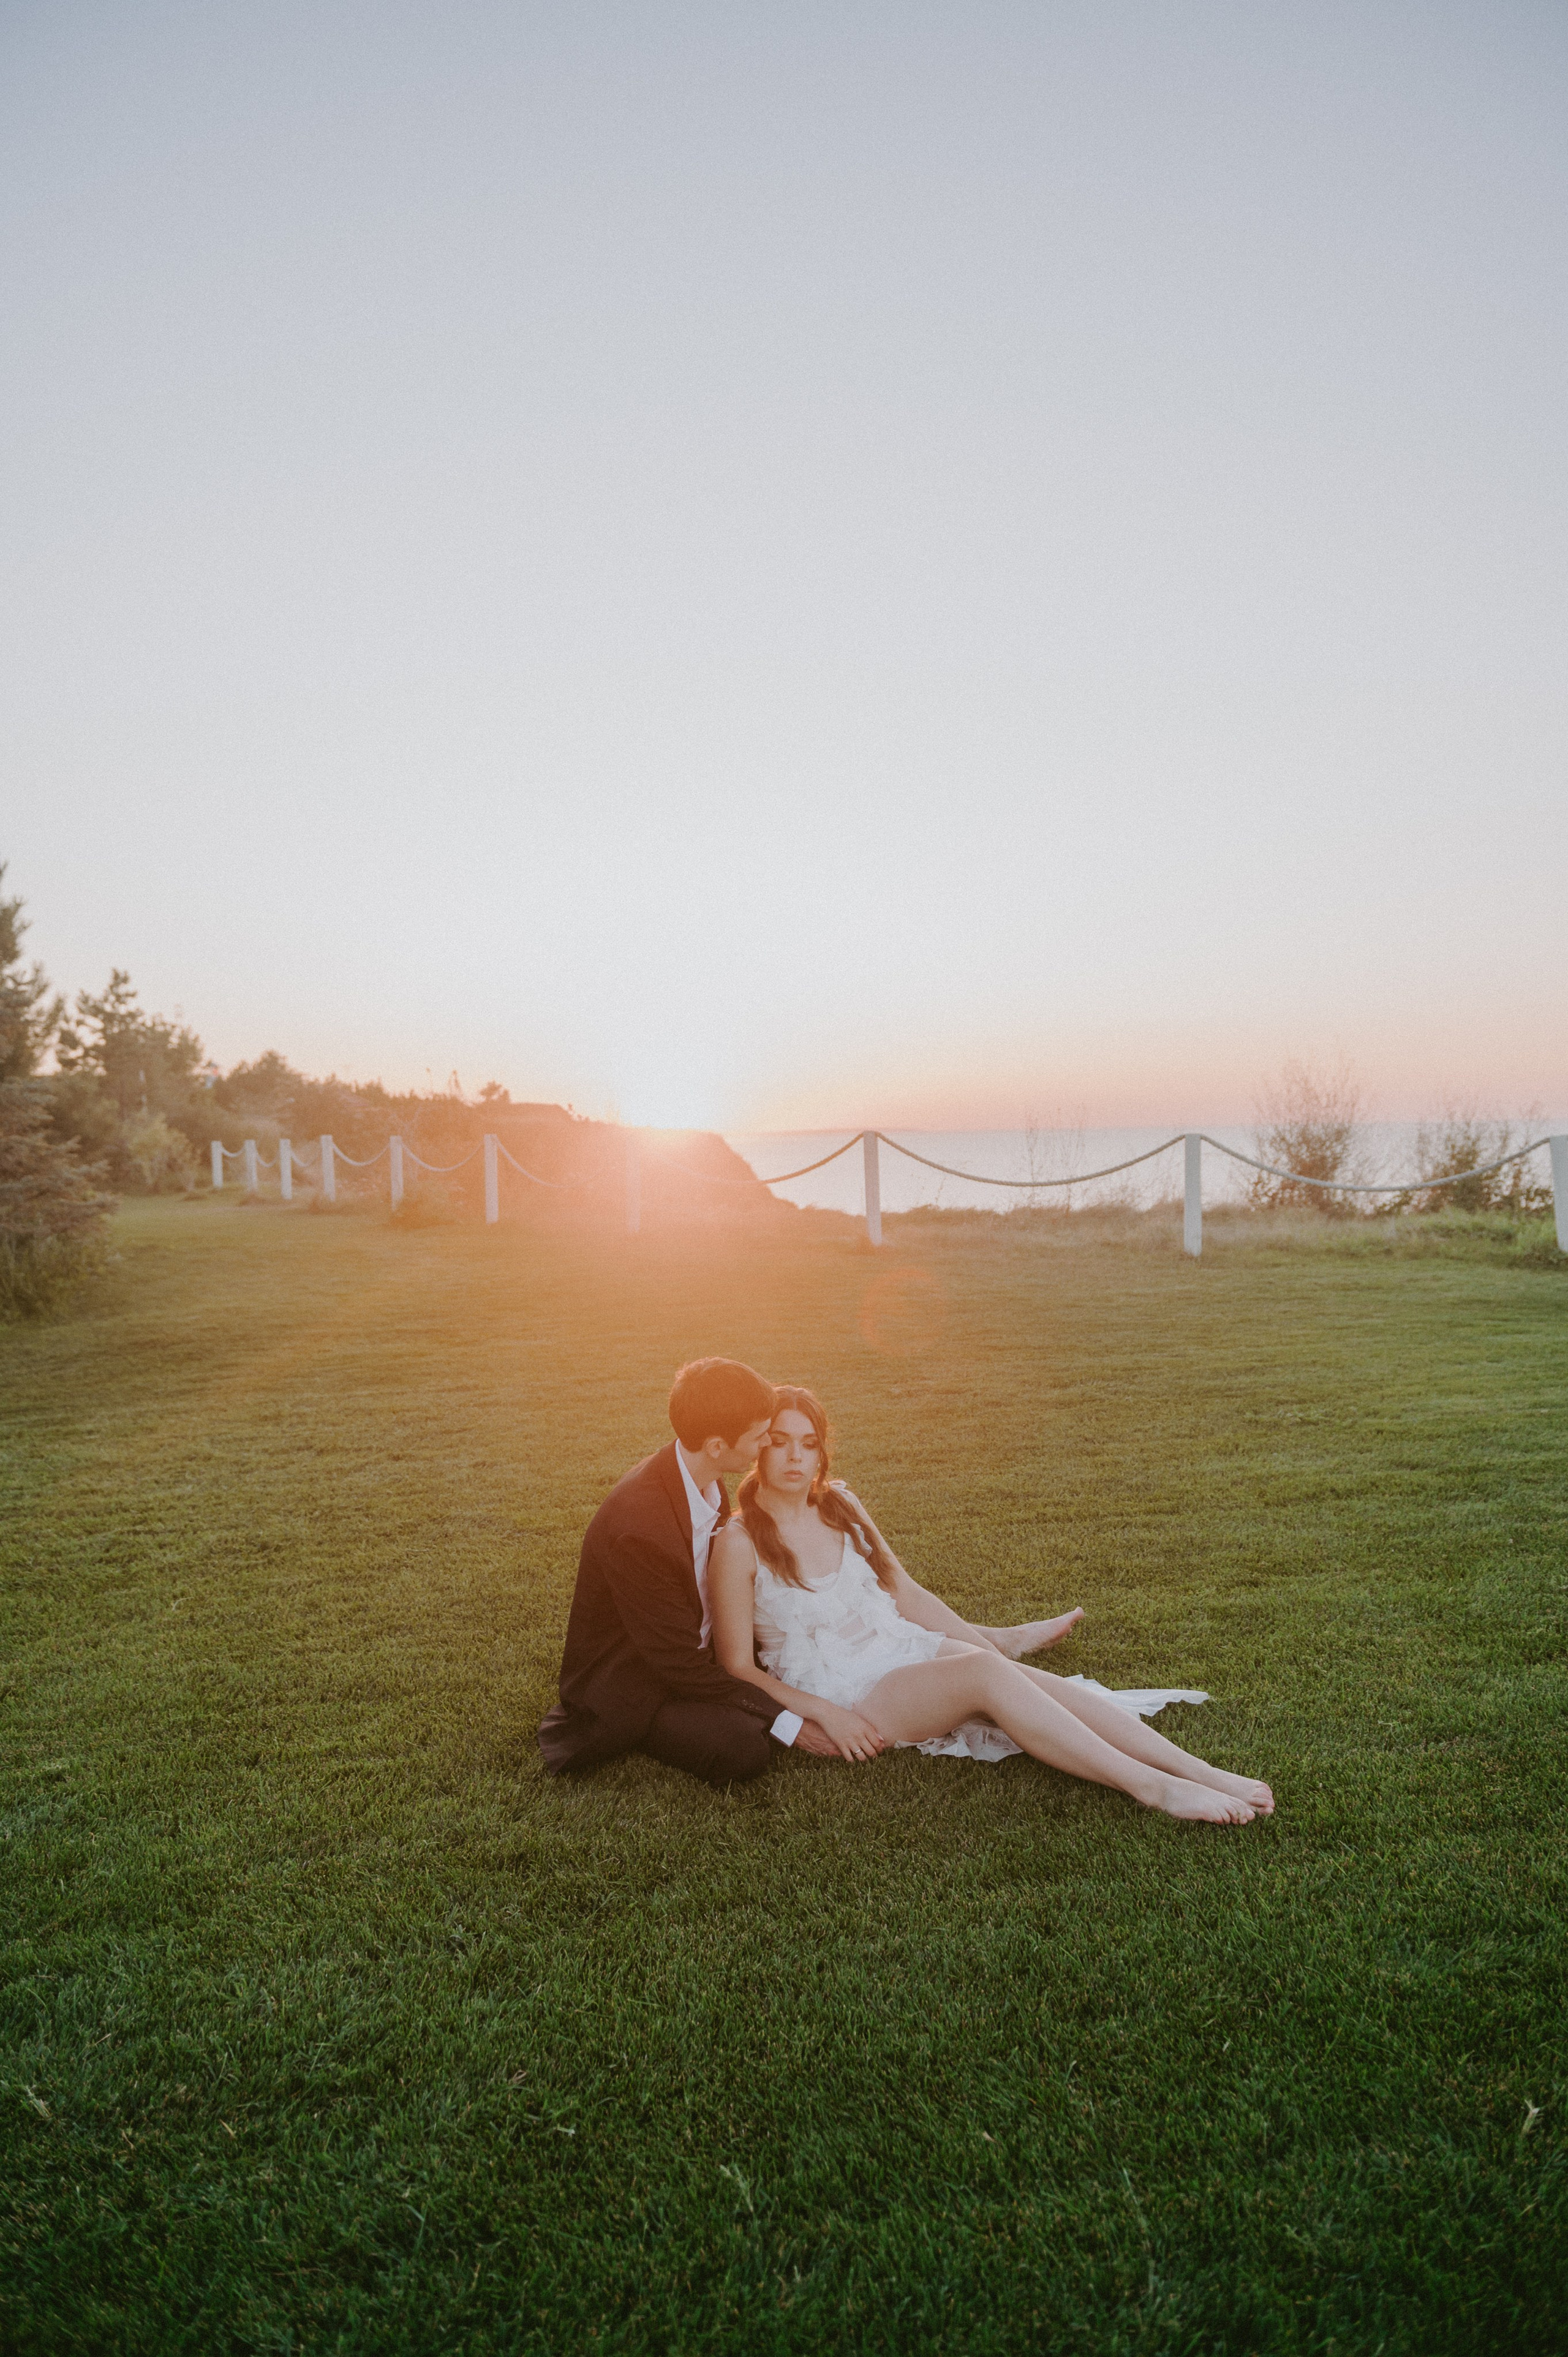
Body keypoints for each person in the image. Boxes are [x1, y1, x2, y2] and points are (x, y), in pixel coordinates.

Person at [707, 1387, 1273, 1825]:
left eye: (809, 1443)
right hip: (844, 1690)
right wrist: (823, 1715)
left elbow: (905, 1592)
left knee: (1011, 1674)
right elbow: (737, 1667)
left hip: (897, 1646)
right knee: (985, 1671)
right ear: (758, 1444)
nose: (795, 1457)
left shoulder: (841, 1505)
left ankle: (1198, 1770)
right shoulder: (737, 1544)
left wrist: (989, 1651)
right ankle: (1153, 1788)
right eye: (780, 1440)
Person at [538, 1359, 1085, 1790]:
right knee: (743, 1750)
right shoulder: (641, 1527)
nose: (767, 1450)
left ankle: (993, 1641)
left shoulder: (703, 1476)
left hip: (701, 1648)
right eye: (762, 1439)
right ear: (718, 1446)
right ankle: (993, 1645)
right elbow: (680, 1665)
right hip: (645, 1680)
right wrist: (796, 1722)